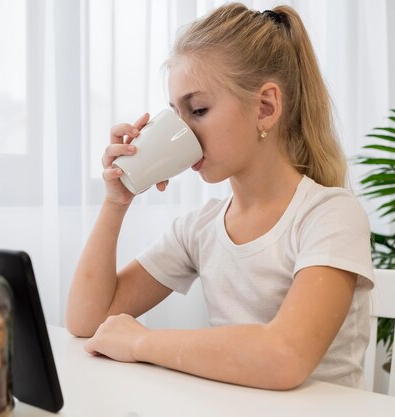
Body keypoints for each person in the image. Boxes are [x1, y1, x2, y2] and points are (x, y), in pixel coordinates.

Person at [66, 3, 373, 390]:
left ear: (265, 107)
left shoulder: (329, 215)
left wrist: (142, 342)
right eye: (176, 115)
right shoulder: (201, 228)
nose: (185, 131)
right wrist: (117, 199)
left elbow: (285, 357)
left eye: (198, 109)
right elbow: (85, 321)